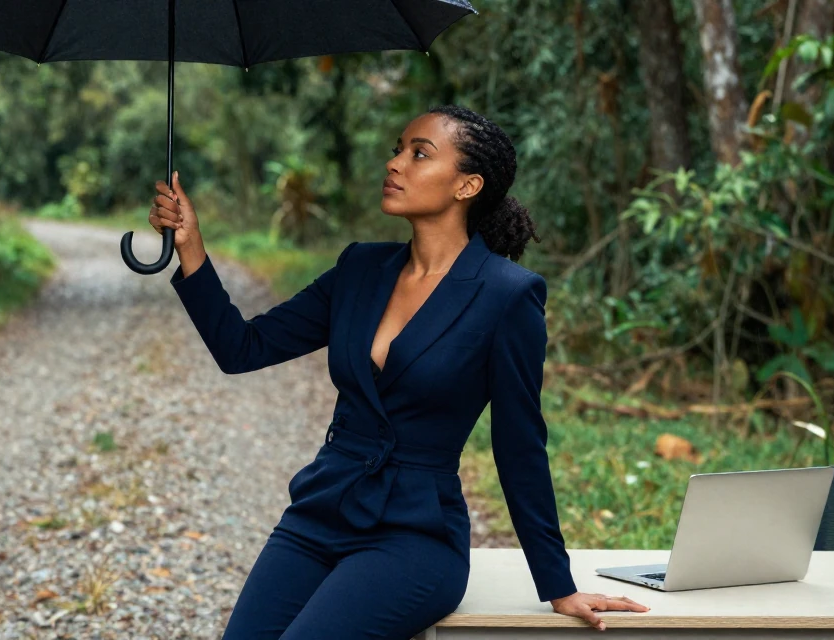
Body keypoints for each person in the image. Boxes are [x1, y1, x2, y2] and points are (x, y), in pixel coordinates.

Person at [149, 105, 649, 638]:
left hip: (416, 537)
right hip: (320, 513)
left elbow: (519, 442)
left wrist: (558, 584)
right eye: (397, 149)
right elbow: (240, 348)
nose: (395, 164)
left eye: (419, 154)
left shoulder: (507, 295)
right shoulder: (359, 268)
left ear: (467, 185)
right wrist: (191, 247)